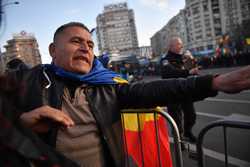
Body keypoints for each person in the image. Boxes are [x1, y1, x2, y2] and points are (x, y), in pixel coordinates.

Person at [4, 22, 250, 167]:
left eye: (90, 45)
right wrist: (20, 123)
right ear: (53, 50)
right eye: (76, 41)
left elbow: (155, 90)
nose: (85, 49)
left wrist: (214, 82)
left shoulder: (107, 85)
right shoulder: (28, 80)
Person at [160, 37, 201, 145]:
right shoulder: (165, 60)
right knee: (176, 120)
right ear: (171, 47)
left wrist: (192, 61)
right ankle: (179, 139)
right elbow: (169, 73)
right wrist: (188, 72)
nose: (181, 46)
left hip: (185, 91)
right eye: (178, 44)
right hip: (173, 93)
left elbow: (193, 71)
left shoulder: (184, 58)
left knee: (191, 115)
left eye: (181, 44)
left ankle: (188, 132)